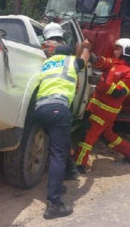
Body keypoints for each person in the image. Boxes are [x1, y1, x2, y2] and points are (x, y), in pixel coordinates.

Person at [35, 41, 90, 219]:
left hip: (40, 110)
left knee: (59, 143)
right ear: (69, 55)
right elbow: (84, 58)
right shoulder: (71, 62)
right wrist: (86, 48)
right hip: (58, 108)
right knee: (57, 154)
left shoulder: (47, 64)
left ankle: (62, 178)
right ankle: (54, 204)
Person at [74, 38, 130, 174]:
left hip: (104, 111)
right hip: (97, 107)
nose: (115, 50)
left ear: (127, 52)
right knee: (108, 136)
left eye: (118, 48)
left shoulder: (129, 73)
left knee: (88, 136)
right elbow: (103, 61)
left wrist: (100, 82)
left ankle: (78, 165)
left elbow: (119, 92)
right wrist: (92, 56)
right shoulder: (115, 63)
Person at [42, 22, 81, 180]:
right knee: (63, 133)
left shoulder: (43, 46)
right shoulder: (66, 48)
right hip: (65, 92)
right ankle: (69, 169)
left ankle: (66, 168)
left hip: (46, 92)